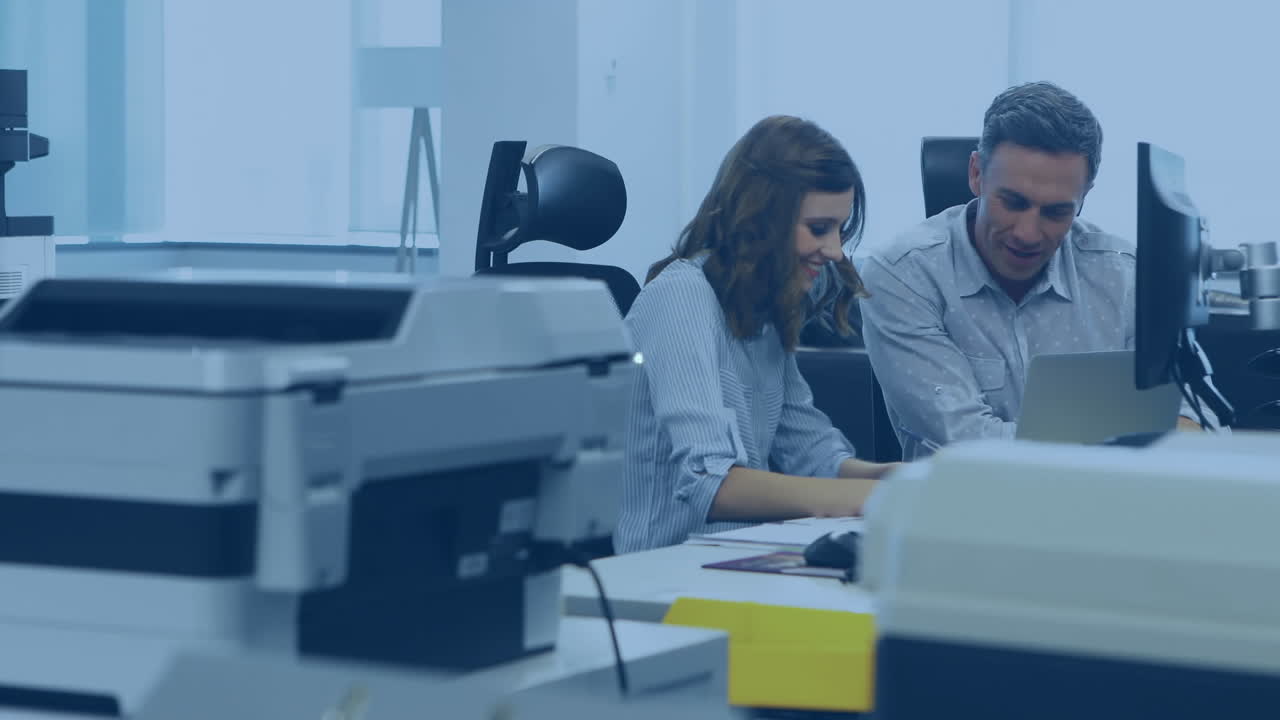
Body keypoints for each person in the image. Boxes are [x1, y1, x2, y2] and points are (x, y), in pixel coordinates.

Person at [855, 81, 1199, 460]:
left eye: (1056, 211)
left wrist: (1177, 430)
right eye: (1013, 202)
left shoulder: (1127, 275)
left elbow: (1195, 421)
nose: (1028, 233)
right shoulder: (903, 273)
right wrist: (1127, 441)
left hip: (1110, 504)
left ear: (1085, 196)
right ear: (976, 174)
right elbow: (964, 440)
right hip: (965, 509)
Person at [614, 115, 897, 554]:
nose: (836, 250)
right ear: (763, 217)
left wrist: (901, 479)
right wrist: (872, 499)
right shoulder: (681, 296)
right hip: (664, 570)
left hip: (739, 559)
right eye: (819, 228)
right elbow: (710, 484)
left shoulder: (764, 309)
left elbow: (813, 456)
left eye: (839, 229)